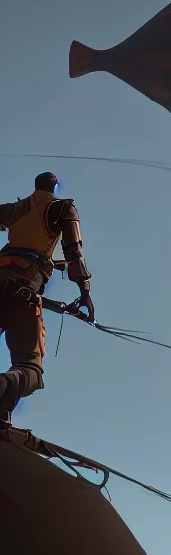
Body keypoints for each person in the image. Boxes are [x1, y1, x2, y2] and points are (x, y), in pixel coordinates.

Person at [0, 172, 93, 423]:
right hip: (23, 289)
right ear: (56, 186)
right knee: (30, 370)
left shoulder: (17, 208)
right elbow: (74, 252)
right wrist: (85, 292)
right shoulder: (62, 208)